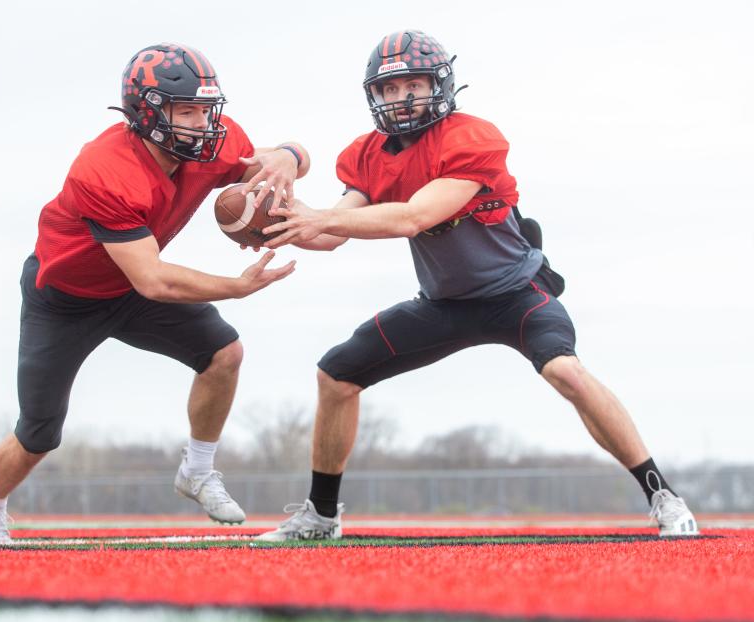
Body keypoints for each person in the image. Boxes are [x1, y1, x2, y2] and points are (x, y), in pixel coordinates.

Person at [257, 30, 698, 540]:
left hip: (515, 293)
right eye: (390, 88)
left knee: (567, 373)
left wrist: (318, 219)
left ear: (440, 85)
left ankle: (662, 494)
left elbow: (413, 217)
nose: (401, 98)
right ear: (373, 95)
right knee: (336, 374)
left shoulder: (470, 137)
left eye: (413, 84)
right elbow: (333, 230)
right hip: (444, 305)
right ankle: (321, 516)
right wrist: (283, 225)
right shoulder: (369, 154)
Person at [0, 42, 310, 543]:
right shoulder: (103, 169)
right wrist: (237, 287)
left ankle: (197, 470)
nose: (201, 123)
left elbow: (273, 162)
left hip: (130, 287)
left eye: (205, 110)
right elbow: (153, 279)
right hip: (66, 298)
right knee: (40, 431)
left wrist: (289, 155)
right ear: (145, 112)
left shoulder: (210, 141)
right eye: (186, 111)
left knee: (224, 354)